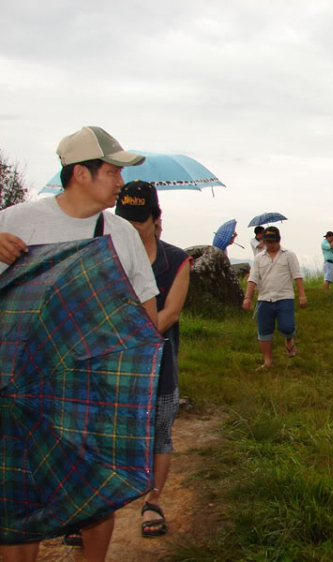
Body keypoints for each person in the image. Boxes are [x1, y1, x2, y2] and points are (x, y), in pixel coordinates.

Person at [0, 126, 158, 562]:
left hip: (88, 382)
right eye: (112, 172)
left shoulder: (119, 232)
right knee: (18, 494)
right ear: (80, 174)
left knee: (93, 484)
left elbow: (144, 306)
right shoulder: (15, 221)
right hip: (19, 385)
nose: (121, 183)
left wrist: (139, 371)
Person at [115, 180, 191, 540]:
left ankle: (154, 499)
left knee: (159, 431)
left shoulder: (176, 260)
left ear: (156, 218)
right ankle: (99, 508)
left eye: (139, 219)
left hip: (157, 362)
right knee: (110, 431)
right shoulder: (106, 255)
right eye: (124, 218)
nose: (131, 227)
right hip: (112, 362)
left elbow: (170, 313)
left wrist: (130, 340)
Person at [242, 226, 307, 369]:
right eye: (268, 242)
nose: (270, 245)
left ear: (279, 240)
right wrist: (248, 298)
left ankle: (289, 340)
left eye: (273, 242)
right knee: (264, 332)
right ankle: (267, 361)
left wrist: (302, 295)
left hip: (285, 297)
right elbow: (253, 279)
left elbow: (297, 275)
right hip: (265, 299)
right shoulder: (259, 258)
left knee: (287, 326)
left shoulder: (288, 255)